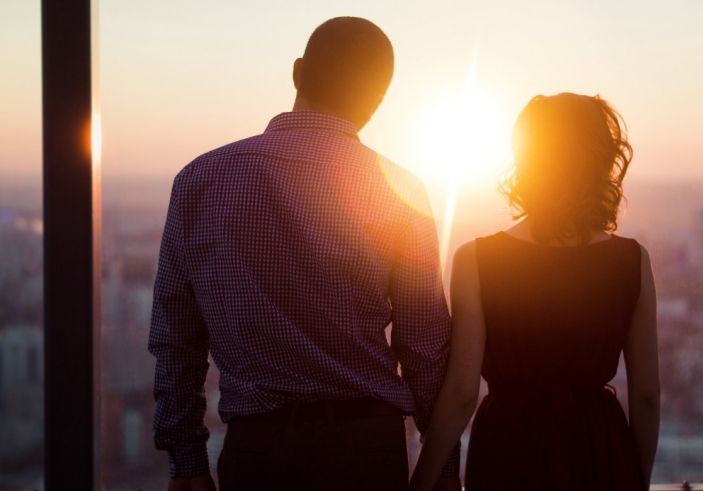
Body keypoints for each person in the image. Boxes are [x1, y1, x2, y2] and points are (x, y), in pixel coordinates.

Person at [149, 17, 459, 491]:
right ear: (378, 100)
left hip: (258, 452)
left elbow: (176, 337)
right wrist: (444, 467)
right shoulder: (399, 191)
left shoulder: (201, 179)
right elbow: (424, 349)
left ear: (297, 73)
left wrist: (186, 460)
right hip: (366, 451)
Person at [411, 93, 661, 490]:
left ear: (526, 161)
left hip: (509, 447)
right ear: (600, 162)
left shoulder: (477, 258)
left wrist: (422, 481)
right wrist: (634, 479)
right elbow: (646, 395)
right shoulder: (632, 260)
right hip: (598, 448)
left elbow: (461, 392)